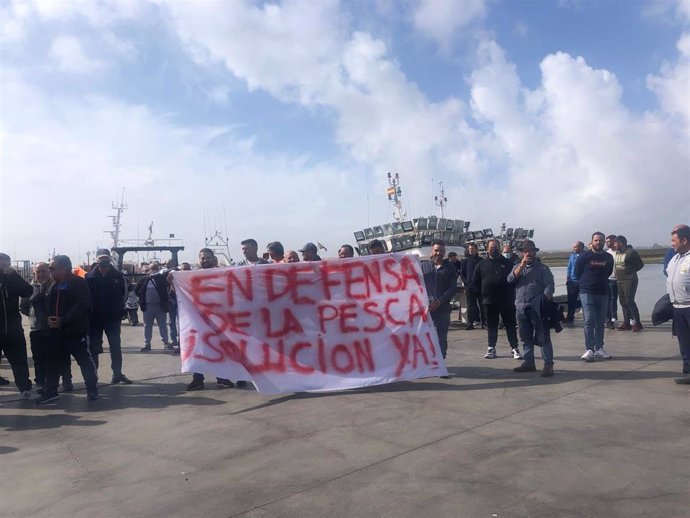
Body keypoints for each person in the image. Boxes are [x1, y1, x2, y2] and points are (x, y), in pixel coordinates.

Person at [38, 255, 100, 404]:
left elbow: (82, 304)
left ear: (64, 268)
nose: (50, 271)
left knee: (84, 360)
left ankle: (92, 389)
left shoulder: (78, 283)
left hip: (75, 330)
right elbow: (41, 303)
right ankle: (51, 391)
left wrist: (63, 320)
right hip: (55, 332)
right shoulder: (49, 284)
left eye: (52, 268)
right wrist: (46, 318)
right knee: (53, 362)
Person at [184, 249, 235, 391]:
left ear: (213, 259)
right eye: (202, 258)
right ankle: (198, 378)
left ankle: (222, 378)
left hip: (218, 318)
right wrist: (172, 280)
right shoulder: (190, 276)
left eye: (207, 257)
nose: (205, 260)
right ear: (199, 259)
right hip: (197, 318)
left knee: (219, 347)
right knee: (197, 348)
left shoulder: (221, 274)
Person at [20, 262, 73, 391]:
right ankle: (40, 382)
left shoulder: (56, 285)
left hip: (54, 327)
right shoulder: (29, 288)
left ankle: (66, 379)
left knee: (61, 355)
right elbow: (23, 307)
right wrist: (35, 316)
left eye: (43, 271)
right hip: (36, 328)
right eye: (38, 272)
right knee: (38, 357)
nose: (41, 274)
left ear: (49, 271)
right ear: (34, 273)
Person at [508, 240, 556, 377]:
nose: (528, 253)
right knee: (525, 337)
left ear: (535, 252)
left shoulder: (543, 269)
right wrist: (521, 266)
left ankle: (548, 365)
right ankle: (529, 362)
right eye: (525, 251)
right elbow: (510, 280)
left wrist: (543, 301)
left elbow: (549, 287)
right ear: (522, 253)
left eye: (530, 250)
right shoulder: (517, 266)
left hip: (537, 309)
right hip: (521, 308)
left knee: (543, 337)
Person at [85, 249, 132, 384]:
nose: (103, 261)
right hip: (95, 319)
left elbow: (125, 294)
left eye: (106, 258)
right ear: (97, 260)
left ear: (110, 259)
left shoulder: (118, 276)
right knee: (94, 348)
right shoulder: (89, 277)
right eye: (101, 259)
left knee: (115, 346)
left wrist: (118, 310)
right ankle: (93, 377)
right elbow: (85, 297)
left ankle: (117, 373)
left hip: (112, 318)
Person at [471, 239, 522, 360]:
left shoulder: (508, 263)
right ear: (487, 249)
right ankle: (491, 348)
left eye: (495, 247)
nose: (493, 250)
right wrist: (483, 293)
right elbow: (475, 282)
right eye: (491, 248)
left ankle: (514, 347)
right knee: (492, 326)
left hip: (506, 301)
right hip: (489, 301)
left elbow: (515, 280)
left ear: (499, 248)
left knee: (510, 324)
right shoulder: (481, 265)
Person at [574, 232, 614, 362]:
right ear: (592, 242)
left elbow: (608, 272)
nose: (598, 242)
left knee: (600, 322)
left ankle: (599, 348)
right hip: (587, 292)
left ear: (604, 242)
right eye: (596, 240)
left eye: (601, 240)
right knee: (589, 320)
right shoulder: (584, 257)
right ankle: (589, 349)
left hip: (603, 292)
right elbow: (577, 272)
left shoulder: (608, 257)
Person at [0, 252, 34, 398]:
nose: (4, 267)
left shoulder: (12, 279)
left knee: (19, 359)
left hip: (13, 329)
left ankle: (25, 388)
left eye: (6, 264)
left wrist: (13, 275)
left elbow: (28, 291)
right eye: (1, 264)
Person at [421, 241, 458, 364]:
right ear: (432, 251)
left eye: (441, 251)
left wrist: (439, 302)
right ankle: (427, 362)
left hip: (442, 308)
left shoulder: (450, 267)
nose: (439, 253)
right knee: (425, 337)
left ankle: (440, 363)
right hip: (425, 308)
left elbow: (452, 288)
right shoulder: (423, 266)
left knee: (441, 337)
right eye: (436, 250)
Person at [666, 225, 690, 384]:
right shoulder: (675, 258)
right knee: (684, 342)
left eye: (674, 240)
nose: (671, 243)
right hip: (678, 307)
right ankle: (688, 372)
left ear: (684, 240)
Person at [135, 262, 171, 352]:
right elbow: (137, 290)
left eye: (156, 268)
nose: (154, 270)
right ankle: (147, 344)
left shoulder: (162, 279)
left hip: (160, 306)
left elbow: (170, 285)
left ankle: (166, 343)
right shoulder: (144, 280)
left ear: (158, 269)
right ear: (149, 270)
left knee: (162, 325)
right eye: (152, 268)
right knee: (147, 326)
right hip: (147, 307)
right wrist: (143, 297)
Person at [614, 235, 644, 332]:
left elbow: (640, 265)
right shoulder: (617, 252)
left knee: (629, 301)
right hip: (619, 280)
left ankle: (638, 323)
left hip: (629, 280)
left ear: (621, 243)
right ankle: (626, 323)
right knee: (623, 302)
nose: (614, 245)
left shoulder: (631, 252)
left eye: (615, 243)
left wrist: (631, 272)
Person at [459, 243, 484, 330]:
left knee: (482, 305)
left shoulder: (481, 261)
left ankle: (484, 322)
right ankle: (470, 323)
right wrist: (466, 283)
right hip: (469, 287)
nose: (471, 250)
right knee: (470, 306)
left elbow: (484, 274)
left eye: (472, 248)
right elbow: (462, 274)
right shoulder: (465, 261)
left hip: (480, 287)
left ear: (476, 250)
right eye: (470, 249)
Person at [565, 241, 584, 323]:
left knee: (585, 300)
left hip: (583, 281)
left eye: (575, 247)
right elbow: (569, 267)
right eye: (573, 247)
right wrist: (567, 278)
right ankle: (570, 316)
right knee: (571, 300)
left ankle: (587, 317)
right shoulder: (572, 255)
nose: (574, 248)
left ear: (581, 247)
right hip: (572, 281)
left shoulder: (585, 256)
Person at [605, 235, 618, 329]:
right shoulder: (607, 253)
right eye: (606, 241)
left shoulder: (620, 252)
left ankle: (630, 318)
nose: (607, 243)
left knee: (624, 300)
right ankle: (611, 317)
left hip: (621, 279)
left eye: (609, 241)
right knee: (610, 299)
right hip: (610, 279)